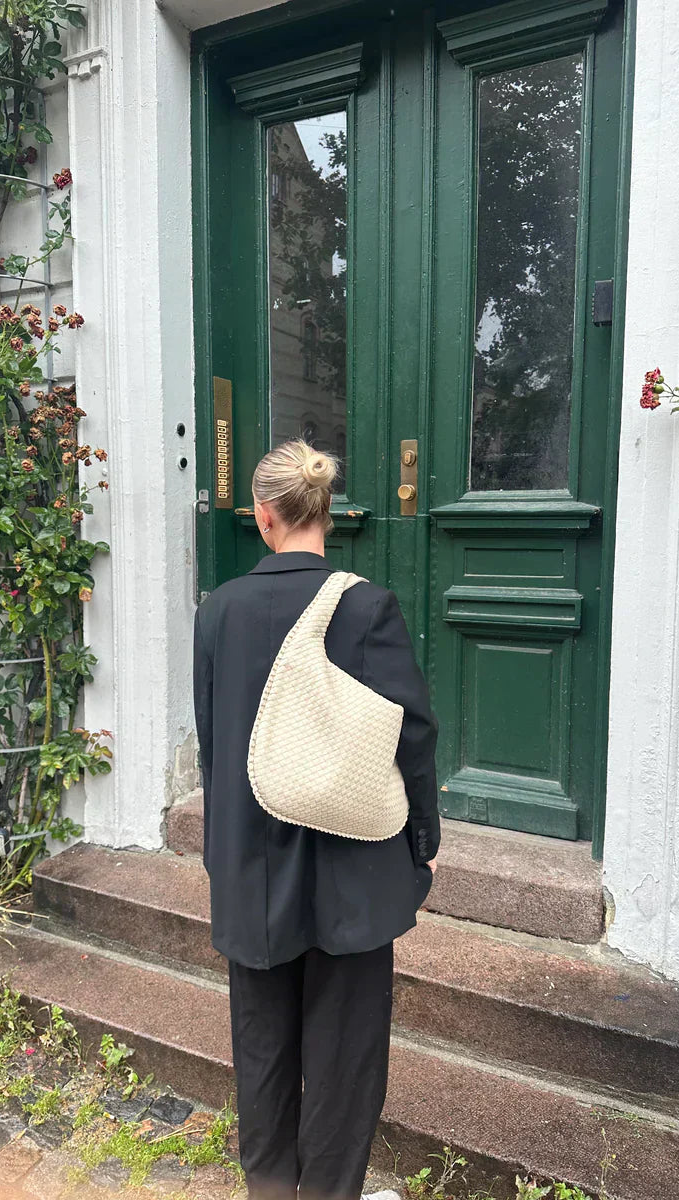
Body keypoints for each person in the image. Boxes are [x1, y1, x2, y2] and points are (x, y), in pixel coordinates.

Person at [193, 439, 440, 1200]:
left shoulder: (219, 610)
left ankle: (270, 1190)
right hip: (352, 871)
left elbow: (214, 741)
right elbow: (412, 735)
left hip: (250, 866)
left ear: (263, 515)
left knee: (261, 1048)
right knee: (344, 1058)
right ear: (326, 513)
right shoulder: (366, 606)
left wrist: (219, 853)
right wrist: (421, 841)